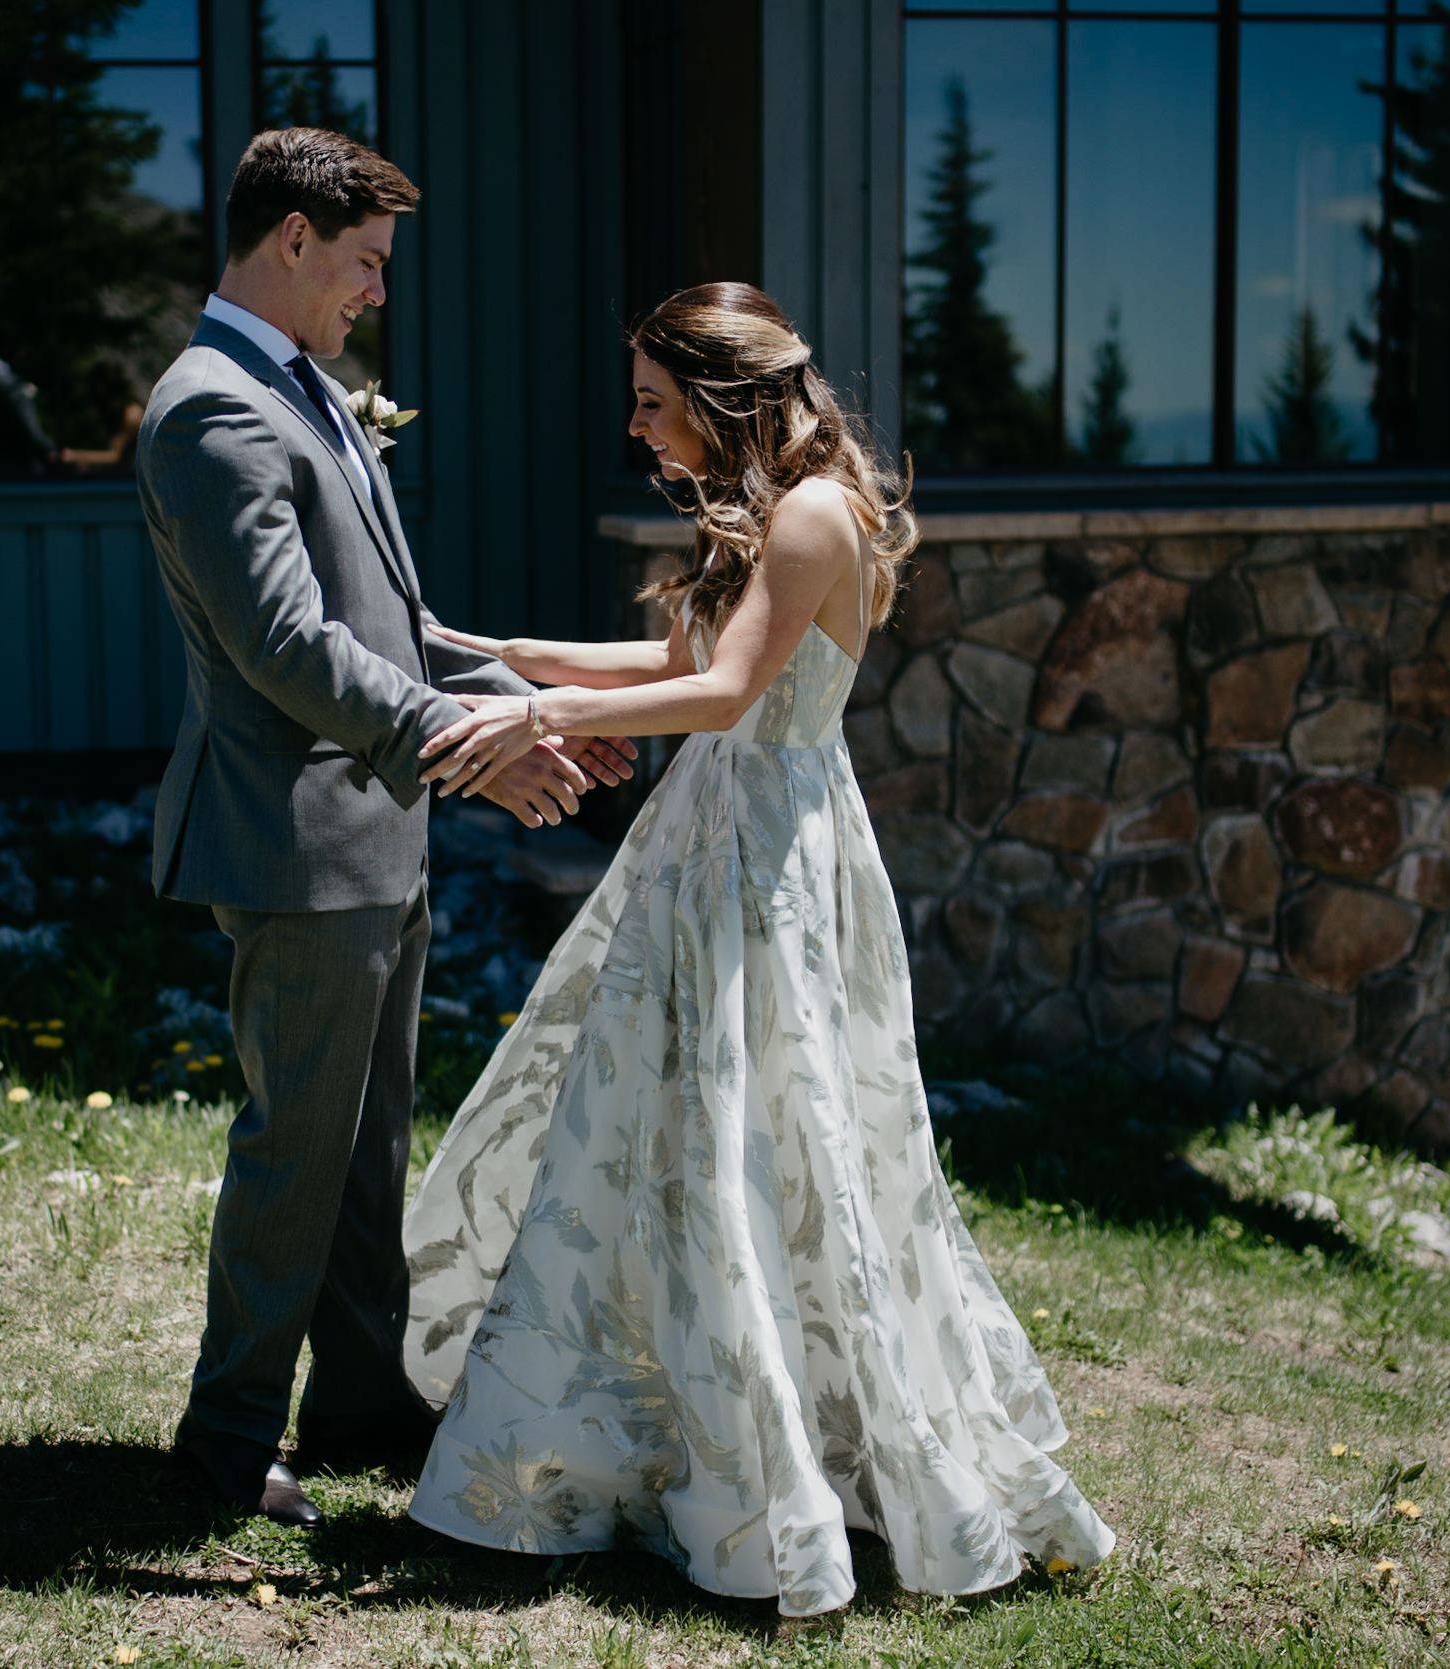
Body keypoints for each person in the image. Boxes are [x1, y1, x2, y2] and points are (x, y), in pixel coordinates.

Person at [400, 283, 1117, 1615]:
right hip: (711, 836)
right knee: (664, 1126)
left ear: (725, 398)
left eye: (654, 400)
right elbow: (683, 650)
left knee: (765, 1135)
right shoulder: (765, 516)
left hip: (767, 856)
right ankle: (638, 1428)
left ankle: (790, 1455)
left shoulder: (810, 515)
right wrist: (491, 653)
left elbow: (727, 694)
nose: (636, 425)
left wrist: (537, 711)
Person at [133, 127, 637, 1532]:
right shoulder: (213, 410)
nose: (374, 292)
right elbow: (288, 646)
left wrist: (526, 707)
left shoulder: (305, 390)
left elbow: (394, 627)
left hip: (378, 838)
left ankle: (356, 1398)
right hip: (298, 849)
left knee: (367, 1146)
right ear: (291, 239)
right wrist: (466, 747)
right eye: (363, 262)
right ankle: (226, 1442)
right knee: (296, 1147)